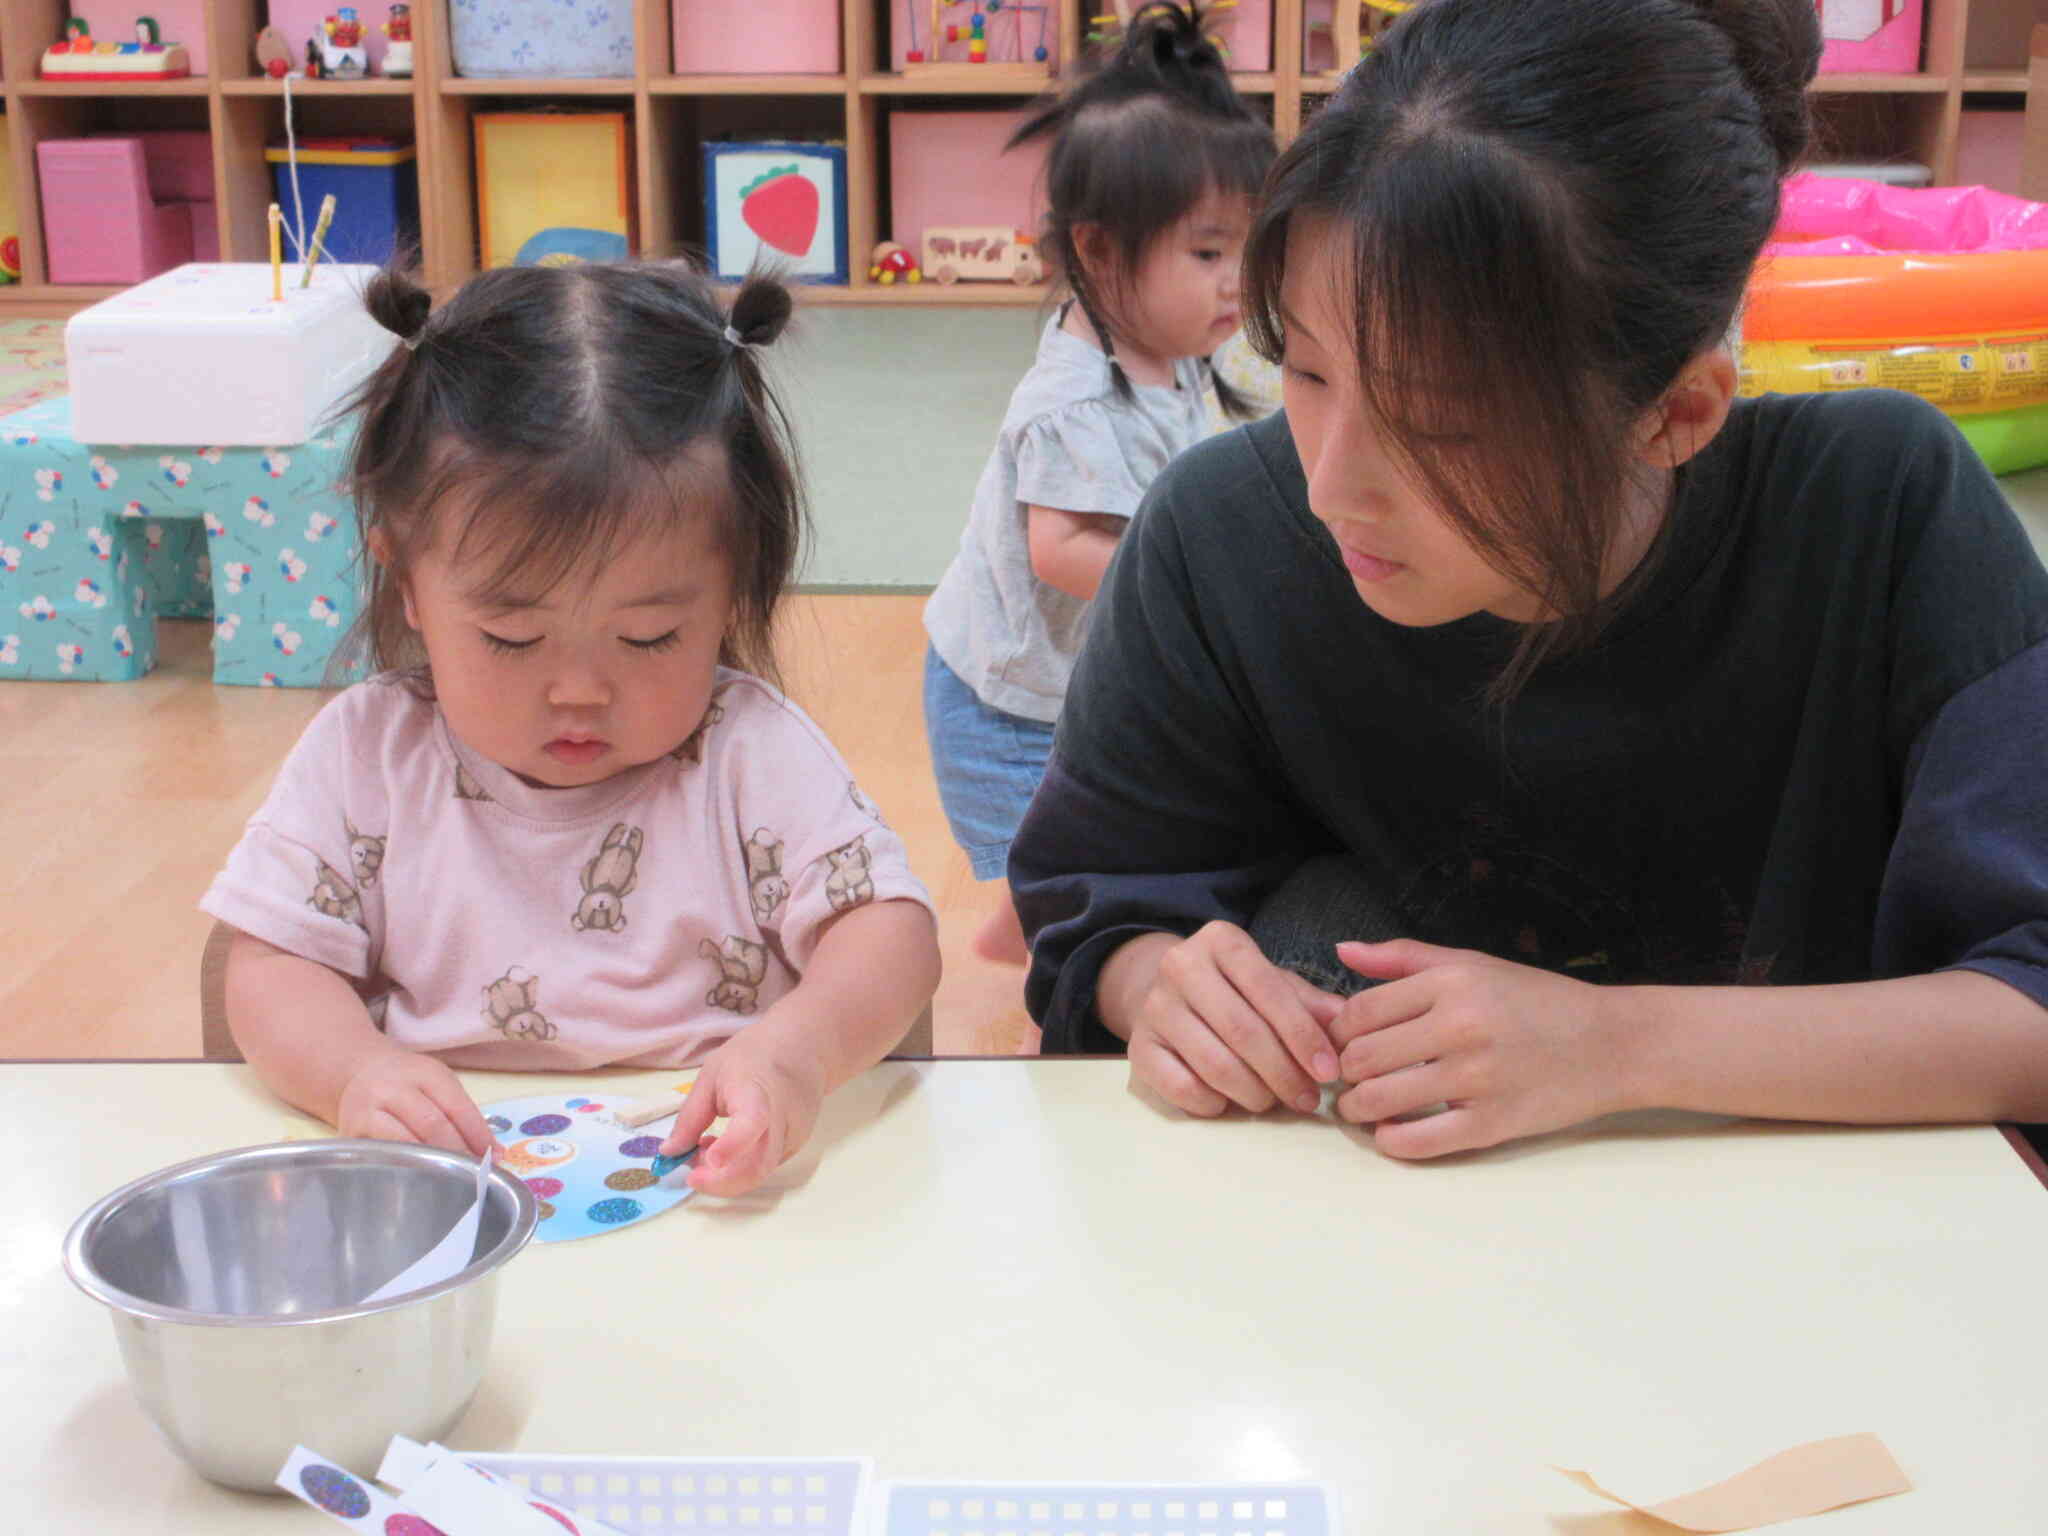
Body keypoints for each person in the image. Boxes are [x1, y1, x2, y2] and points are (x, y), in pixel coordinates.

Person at [1010, 0, 2048, 1157]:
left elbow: (2031, 1003)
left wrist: (1612, 1046)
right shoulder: (1214, 535)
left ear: (1674, 412)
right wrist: (1158, 986)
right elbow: (1096, 903)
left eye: (1437, 426)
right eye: (1302, 370)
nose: (1331, 486)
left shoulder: (1881, 511)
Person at [202, 260, 941, 1198]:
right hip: (447, 1201)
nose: (582, 691)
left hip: (718, 1194)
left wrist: (797, 1051)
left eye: (650, 636)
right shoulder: (369, 756)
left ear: (732, 579)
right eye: (513, 638)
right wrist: (356, 1071)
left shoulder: (746, 751)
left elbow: (894, 937)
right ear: (406, 577)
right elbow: (268, 968)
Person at [923, 1, 1275, 965]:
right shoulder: (1074, 399)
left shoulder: (1173, 349)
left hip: (1078, 679)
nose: (1236, 281)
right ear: (1098, 251)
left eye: (1247, 249)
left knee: (1093, 844)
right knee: (1060, 878)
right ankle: (1042, 1004)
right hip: (1009, 702)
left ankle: (1009, 934)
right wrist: (1190, 578)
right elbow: (1060, 547)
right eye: (1208, 254)